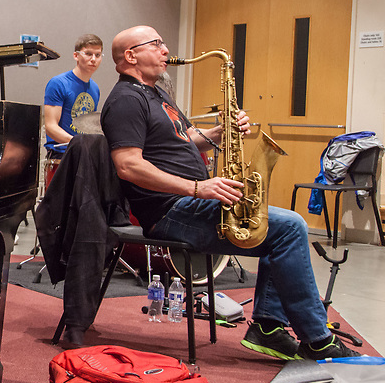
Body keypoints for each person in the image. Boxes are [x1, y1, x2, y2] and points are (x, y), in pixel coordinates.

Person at [100, 25, 357, 360]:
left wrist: (222, 133)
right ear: (131, 56)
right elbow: (129, 166)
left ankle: (268, 327)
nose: (165, 50)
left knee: (271, 229)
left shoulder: (156, 93)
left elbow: (184, 138)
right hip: (171, 211)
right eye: (156, 44)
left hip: (190, 202)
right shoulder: (125, 101)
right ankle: (316, 339)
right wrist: (198, 187)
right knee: (291, 227)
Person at [43, 34, 104, 155]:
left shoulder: (95, 88)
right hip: (62, 154)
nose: (93, 59)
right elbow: (50, 127)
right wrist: (78, 143)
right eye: (88, 54)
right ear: (76, 55)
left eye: (97, 55)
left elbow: (89, 128)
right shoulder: (58, 83)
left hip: (84, 153)